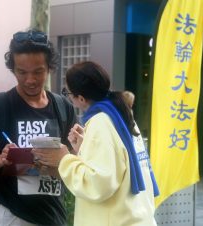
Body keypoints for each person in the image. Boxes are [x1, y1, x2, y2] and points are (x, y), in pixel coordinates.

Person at [0, 29, 76, 226]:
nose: (30, 80)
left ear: (49, 68)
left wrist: (66, 157)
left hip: (54, 214)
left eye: (38, 72)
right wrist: (0, 159)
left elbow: (76, 161)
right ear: (13, 69)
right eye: (21, 72)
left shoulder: (63, 107)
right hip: (12, 214)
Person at [32, 61, 159, 226]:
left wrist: (64, 159)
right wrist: (85, 149)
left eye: (68, 92)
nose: (68, 97)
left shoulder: (100, 123)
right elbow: (120, 165)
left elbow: (98, 184)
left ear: (81, 98)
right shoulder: (121, 115)